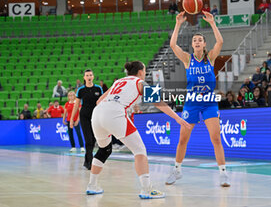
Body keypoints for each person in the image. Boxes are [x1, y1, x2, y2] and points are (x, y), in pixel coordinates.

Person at [86, 61, 191, 199]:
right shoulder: (140, 82)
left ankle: (92, 186)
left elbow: (99, 101)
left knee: (104, 150)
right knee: (140, 150)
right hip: (114, 112)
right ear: (141, 72)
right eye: (145, 71)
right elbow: (157, 101)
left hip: (97, 113)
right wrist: (177, 118)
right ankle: (146, 189)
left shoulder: (118, 81)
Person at [166, 11, 230, 187]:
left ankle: (223, 173)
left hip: (209, 102)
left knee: (216, 138)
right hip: (192, 102)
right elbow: (173, 45)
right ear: (192, 44)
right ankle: (177, 170)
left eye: (200, 40)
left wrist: (212, 23)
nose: (197, 42)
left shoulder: (210, 58)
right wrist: (178, 24)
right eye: (195, 40)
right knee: (182, 139)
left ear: (204, 44)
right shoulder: (187, 59)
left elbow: (221, 42)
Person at [70, 70, 103, 170]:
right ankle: (90, 162)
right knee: (88, 139)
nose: (89, 77)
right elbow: (76, 106)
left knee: (93, 139)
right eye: (87, 75)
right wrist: (72, 119)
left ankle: (86, 160)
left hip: (96, 116)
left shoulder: (98, 88)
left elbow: (101, 103)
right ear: (84, 78)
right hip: (84, 116)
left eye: (90, 75)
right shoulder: (80, 90)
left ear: (93, 77)